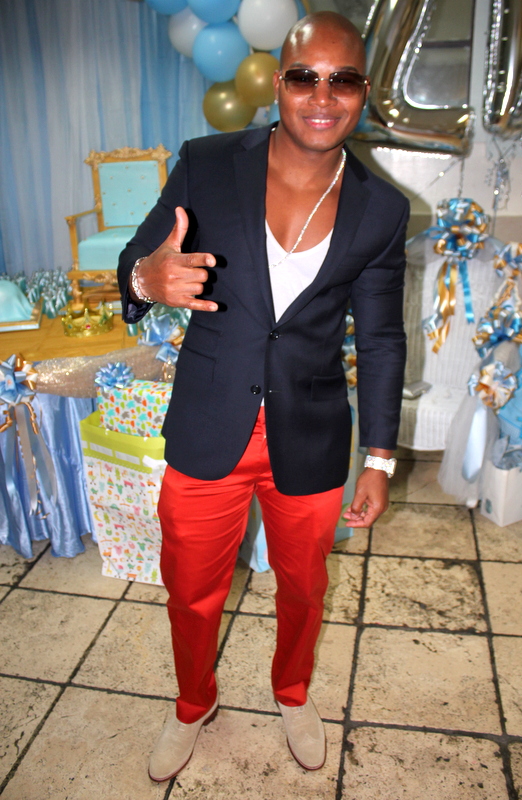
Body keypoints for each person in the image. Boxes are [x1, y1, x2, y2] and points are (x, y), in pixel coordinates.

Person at [118, 10, 408, 782]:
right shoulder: (207, 163)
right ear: (278, 82)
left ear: (363, 91)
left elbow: (382, 340)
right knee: (190, 589)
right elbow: (137, 260)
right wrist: (146, 278)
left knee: (304, 589)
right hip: (209, 421)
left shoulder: (381, 209)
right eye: (304, 76)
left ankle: (292, 692)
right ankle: (192, 702)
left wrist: (379, 459)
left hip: (309, 432)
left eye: (343, 79)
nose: (322, 96)